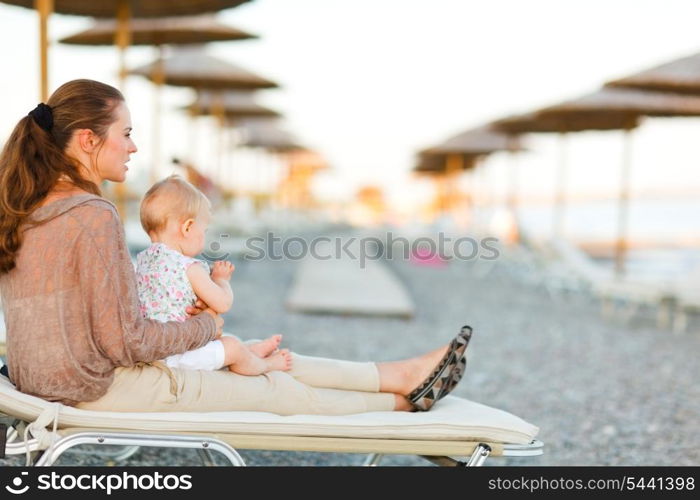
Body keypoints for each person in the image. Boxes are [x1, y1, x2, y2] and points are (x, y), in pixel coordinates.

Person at [0, 79, 470, 416]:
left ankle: (399, 374)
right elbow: (128, 343)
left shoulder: (24, 207)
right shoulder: (90, 214)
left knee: (249, 355)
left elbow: (96, 324)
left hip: (43, 379)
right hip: (96, 388)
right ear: (87, 139)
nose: (133, 148)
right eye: (125, 133)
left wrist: (203, 334)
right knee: (270, 386)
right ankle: (402, 401)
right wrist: (207, 324)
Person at [136, 174, 291, 374]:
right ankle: (265, 364)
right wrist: (221, 280)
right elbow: (223, 303)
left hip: (153, 349)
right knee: (232, 345)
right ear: (188, 227)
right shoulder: (188, 267)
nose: (204, 237)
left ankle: (250, 352)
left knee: (223, 342)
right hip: (179, 354)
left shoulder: (142, 263)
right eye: (205, 230)